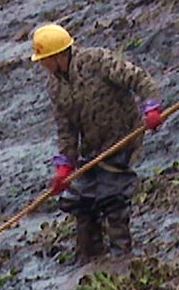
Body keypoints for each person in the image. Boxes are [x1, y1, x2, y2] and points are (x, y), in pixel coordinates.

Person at [31, 22, 162, 260]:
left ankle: (122, 257)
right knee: (82, 200)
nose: (42, 65)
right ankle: (90, 257)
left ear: (60, 55)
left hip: (122, 136)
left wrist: (151, 106)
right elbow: (66, 128)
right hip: (92, 147)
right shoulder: (55, 86)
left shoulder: (97, 61)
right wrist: (65, 165)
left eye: (45, 59)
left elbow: (138, 78)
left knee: (112, 196)